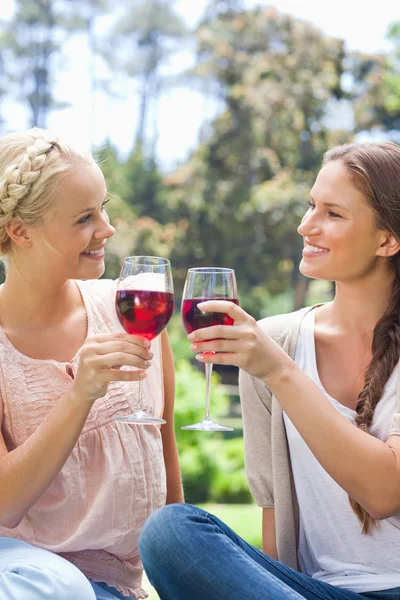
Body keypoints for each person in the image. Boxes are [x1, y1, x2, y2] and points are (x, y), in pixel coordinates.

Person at [139, 141, 400, 600]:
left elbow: (384, 492)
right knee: (170, 531)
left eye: (333, 214)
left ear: (387, 239)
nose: (306, 225)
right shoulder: (277, 339)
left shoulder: (272, 357)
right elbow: (274, 510)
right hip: (308, 592)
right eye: (310, 205)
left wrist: (278, 371)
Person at [0, 128, 183, 600]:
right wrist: (79, 394)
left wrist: (182, 568)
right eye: (84, 217)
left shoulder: (131, 309)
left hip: (118, 588)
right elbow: (4, 504)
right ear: (19, 231)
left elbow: (164, 448)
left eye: (104, 208)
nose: (107, 229)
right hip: (28, 579)